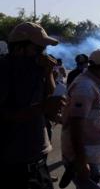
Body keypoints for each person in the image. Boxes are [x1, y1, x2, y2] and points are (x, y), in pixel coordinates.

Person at [0, 22, 66, 189]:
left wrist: (49, 72)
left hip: (39, 161)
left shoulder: (39, 70)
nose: (43, 54)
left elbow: (51, 106)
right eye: (38, 49)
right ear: (19, 48)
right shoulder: (4, 70)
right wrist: (42, 108)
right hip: (14, 167)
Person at [61, 49, 100, 189]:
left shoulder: (94, 83)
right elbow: (76, 124)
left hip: (92, 155)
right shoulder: (85, 87)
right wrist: (81, 161)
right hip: (85, 157)